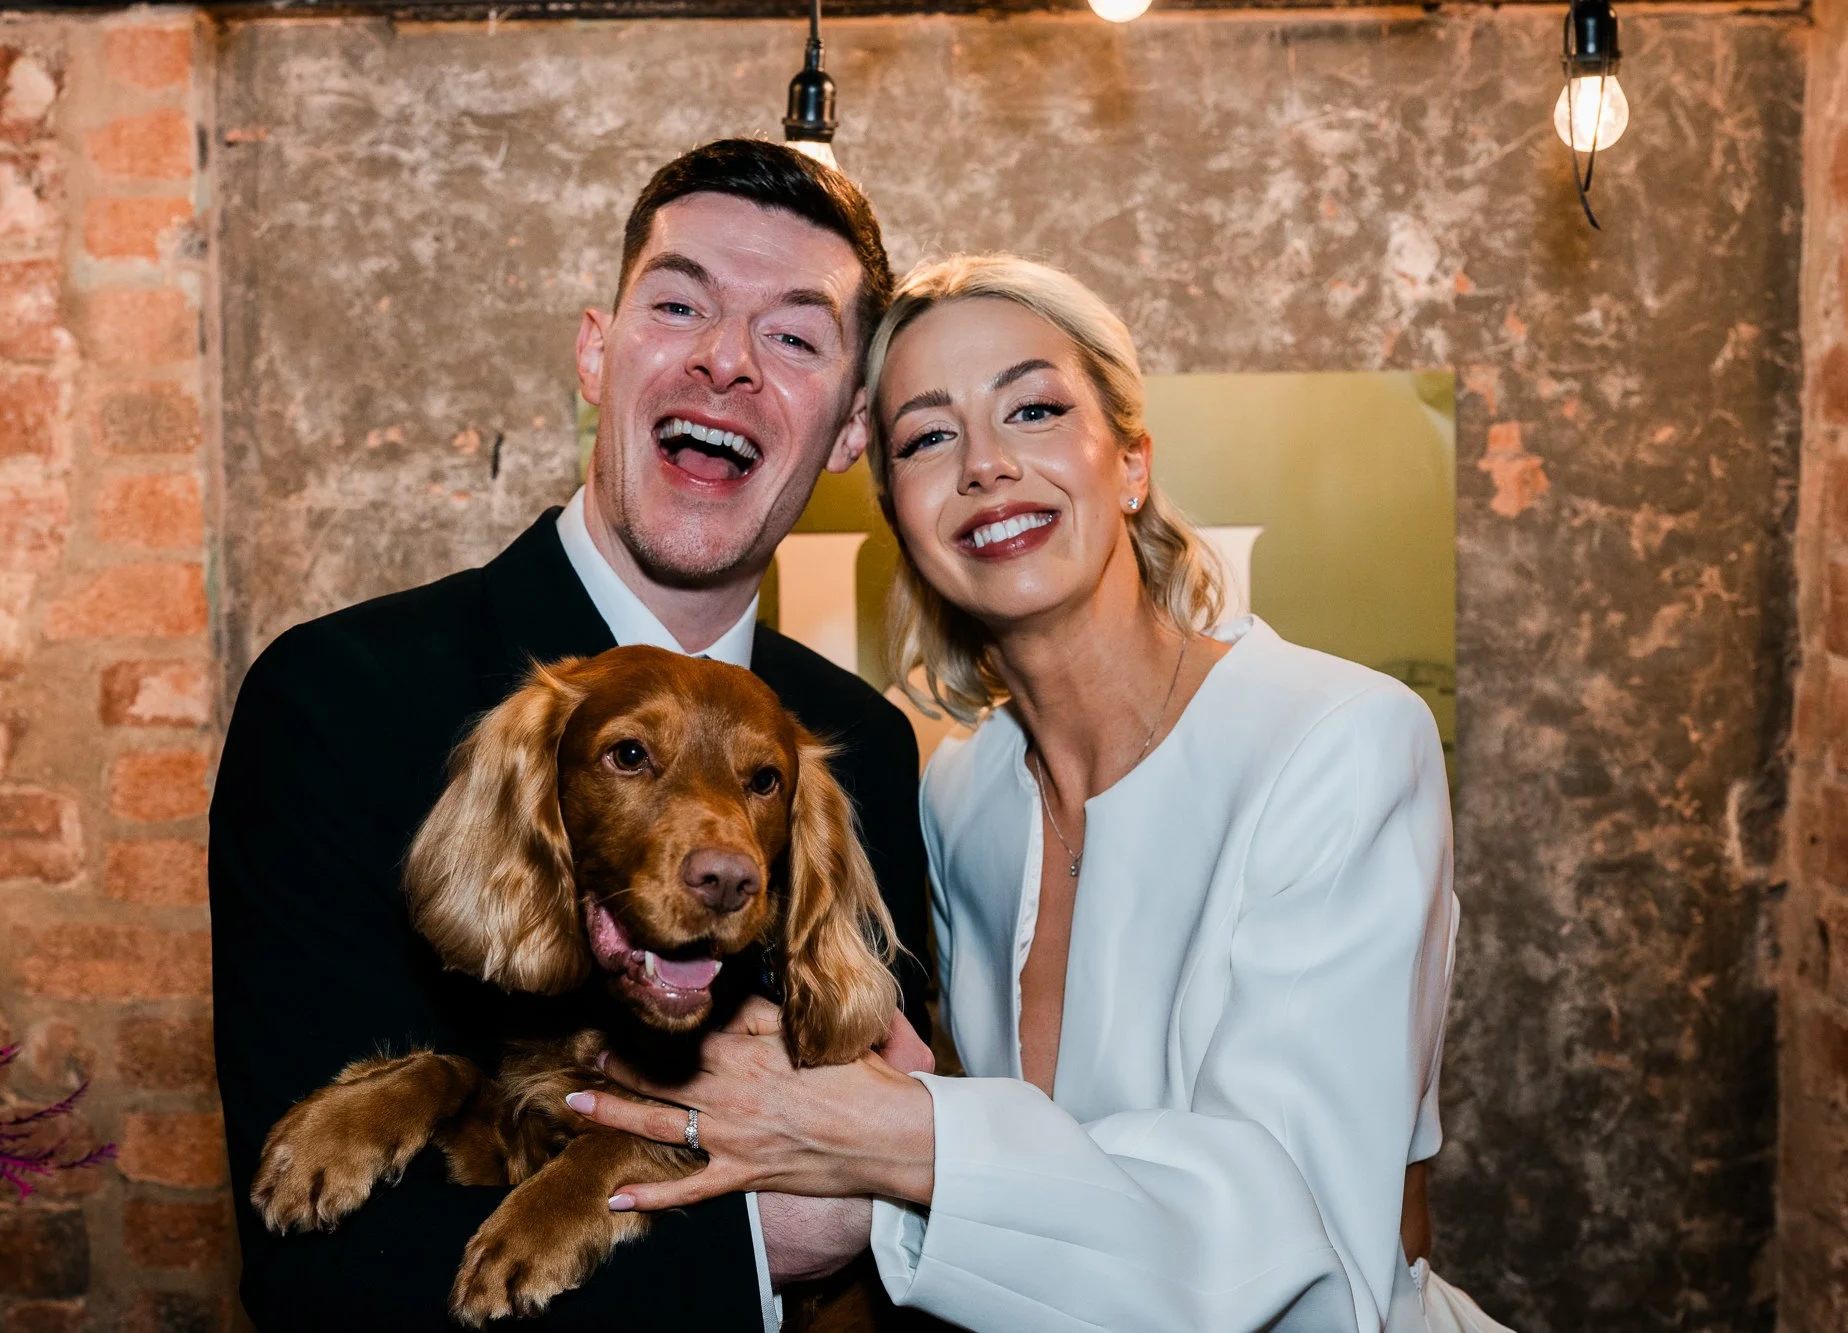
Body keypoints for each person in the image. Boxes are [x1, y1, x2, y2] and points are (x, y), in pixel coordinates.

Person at [573, 254, 1516, 1332]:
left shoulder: (1339, 739)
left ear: (1130, 459)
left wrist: (888, 1135)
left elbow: (1301, 1243)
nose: (985, 463)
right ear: (898, 517)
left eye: (1032, 409)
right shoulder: (956, 798)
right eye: (928, 437)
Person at [208, 139, 933, 1332]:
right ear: (597, 352)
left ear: (850, 428)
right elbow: (322, 1282)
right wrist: (761, 1245)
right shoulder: (336, 694)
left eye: (794, 336)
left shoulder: (865, 743)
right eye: (680, 305)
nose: (726, 359)